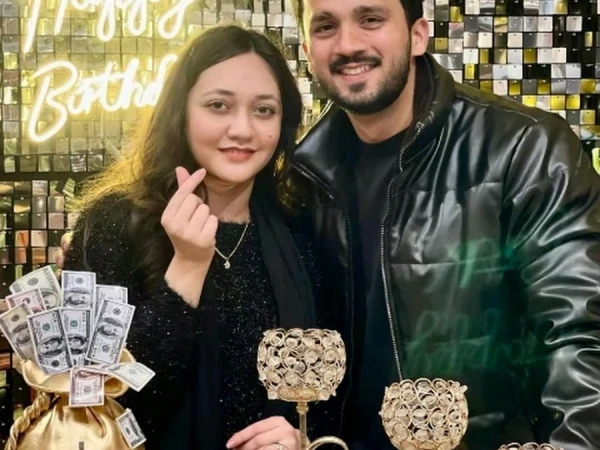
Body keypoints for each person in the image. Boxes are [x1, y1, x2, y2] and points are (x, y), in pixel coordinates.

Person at [285, 0, 600, 449]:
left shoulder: (524, 148)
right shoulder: (301, 175)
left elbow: (579, 332)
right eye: (325, 26)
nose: (348, 44)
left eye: (370, 19)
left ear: (418, 36)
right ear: (307, 50)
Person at [60, 24, 337, 450]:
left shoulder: (299, 228)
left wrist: (301, 437)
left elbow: (325, 385)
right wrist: (187, 268)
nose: (242, 129)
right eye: (218, 105)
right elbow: (99, 407)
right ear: (181, 112)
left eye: (264, 110)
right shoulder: (113, 222)